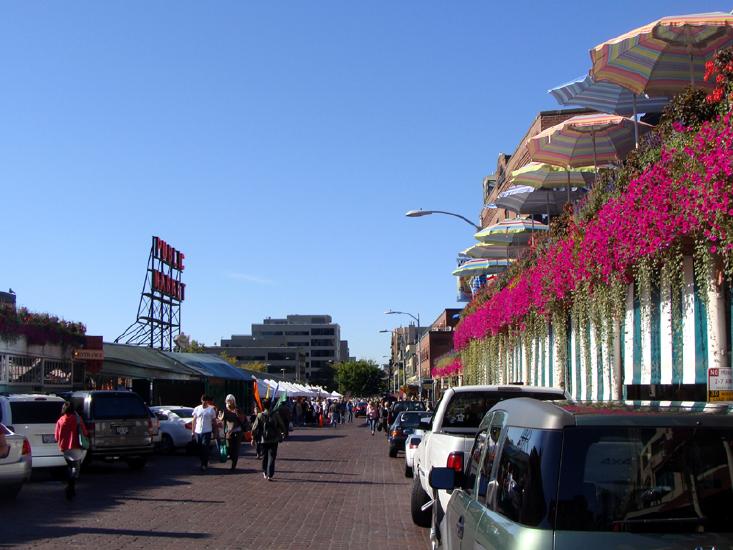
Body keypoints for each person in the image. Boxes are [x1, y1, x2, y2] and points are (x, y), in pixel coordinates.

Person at [54, 401, 88, 500]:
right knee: (75, 470)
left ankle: (71, 488)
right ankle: (70, 488)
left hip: (65, 448)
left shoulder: (60, 420)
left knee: (71, 467)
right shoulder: (77, 419)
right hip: (76, 446)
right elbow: (84, 432)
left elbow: (56, 437)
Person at [251, 398, 287, 481]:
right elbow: (281, 425)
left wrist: (253, 438)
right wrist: (284, 432)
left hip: (263, 439)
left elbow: (254, 428)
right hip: (274, 439)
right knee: (272, 456)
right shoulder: (275, 414)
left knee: (264, 456)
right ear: (271, 405)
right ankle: (270, 474)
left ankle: (264, 471)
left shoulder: (260, 415)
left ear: (263, 406)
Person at [219, 394, 247, 470]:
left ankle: (233, 465)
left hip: (238, 432)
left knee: (236, 449)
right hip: (229, 433)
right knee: (229, 448)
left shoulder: (238, 409)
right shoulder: (225, 410)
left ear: (233, 401)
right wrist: (220, 415)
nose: (229, 403)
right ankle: (231, 457)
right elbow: (221, 419)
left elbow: (243, 419)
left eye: (230, 401)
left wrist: (237, 414)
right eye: (227, 401)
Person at [191, 394, 217, 472]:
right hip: (198, 431)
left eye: (206, 401)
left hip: (207, 431)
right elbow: (194, 420)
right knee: (200, 448)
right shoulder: (197, 409)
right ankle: (203, 460)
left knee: (205, 447)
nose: (204, 402)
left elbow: (214, 421)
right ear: (201, 400)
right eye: (203, 400)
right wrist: (192, 431)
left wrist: (215, 432)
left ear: (207, 401)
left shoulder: (211, 410)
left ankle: (204, 464)